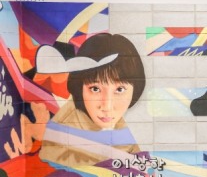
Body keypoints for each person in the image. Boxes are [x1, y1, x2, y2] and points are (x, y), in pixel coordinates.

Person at [39, 33, 146, 167]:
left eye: (119, 90)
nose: (106, 106)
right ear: (80, 88)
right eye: (95, 89)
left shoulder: (125, 128)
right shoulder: (61, 143)